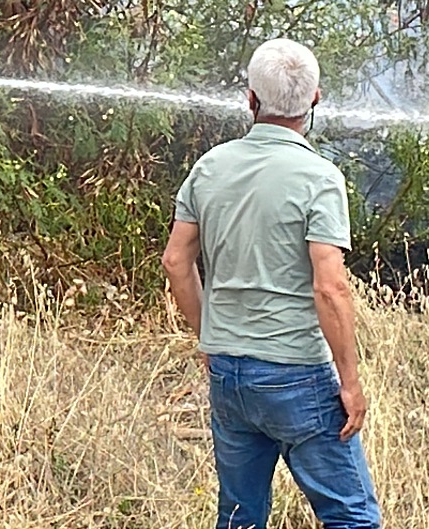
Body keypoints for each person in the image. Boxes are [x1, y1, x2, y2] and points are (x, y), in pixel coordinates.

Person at [162, 38, 381, 529]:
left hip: (229, 375)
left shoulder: (210, 167)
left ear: (250, 99)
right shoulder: (319, 177)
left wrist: (209, 337)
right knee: (352, 517)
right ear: (316, 99)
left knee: (240, 514)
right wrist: (349, 383)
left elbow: (176, 261)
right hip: (297, 374)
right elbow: (330, 289)